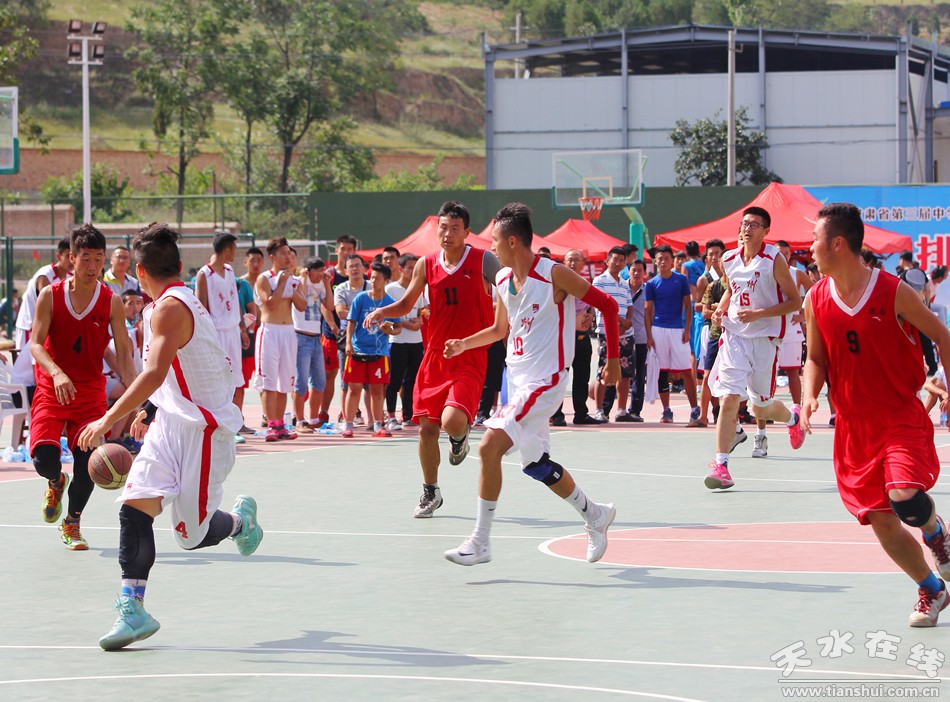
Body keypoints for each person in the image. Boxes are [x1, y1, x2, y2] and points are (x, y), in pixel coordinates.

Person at [77, 222, 262, 650]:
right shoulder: (169, 303)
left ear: (139, 273)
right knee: (133, 508)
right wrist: (151, 409)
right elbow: (177, 374)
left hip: (205, 431)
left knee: (190, 535)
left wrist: (106, 421)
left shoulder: (168, 309)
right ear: (179, 265)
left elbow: (154, 372)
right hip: (171, 424)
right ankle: (133, 609)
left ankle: (238, 521)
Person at [442, 202, 619, 566]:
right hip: (517, 380)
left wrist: (613, 361)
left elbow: (608, 307)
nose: (489, 247)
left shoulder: (554, 275)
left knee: (488, 447)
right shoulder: (503, 280)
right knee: (536, 464)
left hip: (546, 380)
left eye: (493, 241)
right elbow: (498, 330)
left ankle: (481, 541)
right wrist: (463, 343)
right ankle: (595, 515)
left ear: (511, 241)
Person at [802, 202, 950, 627]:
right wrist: (810, 395)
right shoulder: (816, 299)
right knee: (882, 525)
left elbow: (942, 336)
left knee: (904, 497)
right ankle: (932, 590)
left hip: (899, 417)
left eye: (814, 240)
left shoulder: (893, 291)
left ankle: (936, 532)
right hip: (853, 428)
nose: (809, 248)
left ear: (838, 243)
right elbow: (816, 358)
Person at [365, 201, 500, 518]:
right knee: (426, 430)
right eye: (443, 227)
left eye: (455, 228)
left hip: (469, 354)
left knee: (453, 421)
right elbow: (408, 302)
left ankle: (459, 435)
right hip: (434, 358)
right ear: (436, 229)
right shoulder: (426, 264)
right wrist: (382, 311)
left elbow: (513, 286)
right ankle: (430, 492)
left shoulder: (483, 260)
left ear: (467, 232)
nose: (448, 233)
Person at [30, 224, 135, 551]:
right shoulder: (50, 295)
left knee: (87, 466)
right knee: (43, 459)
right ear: (71, 259)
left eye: (98, 259)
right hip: (52, 389)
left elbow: (125, 353)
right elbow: (35, 344)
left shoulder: (111, 302)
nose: (92, 266)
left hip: (90, 393)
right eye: (86, 258)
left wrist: (136, 398)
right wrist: (57, 373)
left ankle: (72, 523)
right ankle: (55, 481)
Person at [705, 207, 804, 490]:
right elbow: (731, 289)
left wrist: (760, 313)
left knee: (761, 408)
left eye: (754, 224)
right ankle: (721, 465)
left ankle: (792, 417)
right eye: (744, 223)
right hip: (735, 334)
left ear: (766, 231)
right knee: (729, 398)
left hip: (765, 338)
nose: (747, 228)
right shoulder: (729, 258)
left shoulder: (774, 259)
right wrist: (721, 309)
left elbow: (795, 302)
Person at [255, 236, 307, 442]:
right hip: (270, 332)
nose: (288, 257)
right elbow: (269, 305)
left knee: (285, 382)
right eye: (284, 254)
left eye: (289, 253)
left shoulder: (294, 280)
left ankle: (282, 425)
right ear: (273, 257)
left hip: (288, 333)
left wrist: (291, 287)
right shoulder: (264, 279)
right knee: (269, 381)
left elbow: (302, 306)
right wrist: (282, 283)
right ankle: (271, 425)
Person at [344, 262, 402, 438]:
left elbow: (398, 327)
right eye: (372, 277)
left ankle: (378, 425)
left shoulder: (390, 303)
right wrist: (348, 343)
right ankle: (348, 425)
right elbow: (351, 322)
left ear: (386, 280)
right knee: (353, 389)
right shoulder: (361, 298)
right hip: (358, 351)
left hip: (379, 353)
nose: (373, 280)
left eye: (377, 278)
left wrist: (390, 330)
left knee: (377, 391)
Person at [644, 244, 700, 425]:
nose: (663, 262)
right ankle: (666, 411)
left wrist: (687, 330)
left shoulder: (681, 280)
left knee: (685, 370)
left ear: (672, 261)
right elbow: (647, 311)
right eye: (659, 259)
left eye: (666, 258)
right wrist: (649, 336)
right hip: (658, 330)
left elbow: (688, 306)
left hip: (678, 330)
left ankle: (694, 410)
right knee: (662, 372)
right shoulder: (651, 283)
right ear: (655, 261)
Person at [195, 232, 249, 411]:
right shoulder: (204, 274)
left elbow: (236, 302)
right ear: (227, 250)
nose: (235, 253)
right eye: (234, 249)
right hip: (216, 333)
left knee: (236, 378)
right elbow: (200, 307)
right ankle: (218, 420)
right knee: (218, 378)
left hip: (233, 331)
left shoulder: (230, 271)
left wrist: (242, 328)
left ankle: (237, 420)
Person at [549, 248, 601, 425]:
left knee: (582, 376)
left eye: (576, 260)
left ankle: (581, 413)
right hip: (562, 337)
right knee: (561, 376)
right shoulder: (557, 283)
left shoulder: (585, 284)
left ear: (582, 264)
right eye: (569, 260)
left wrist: (591, 315)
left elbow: (592, 304)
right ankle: (556, 414)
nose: (572, 263)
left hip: (582, 337)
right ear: (564, 263)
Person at [13, 237, 73, 388]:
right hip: (30, 326)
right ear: (58, 256)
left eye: (74, 256)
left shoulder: (69, 277)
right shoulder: (45, 274)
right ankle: (28, 396)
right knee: (28, 367)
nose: (71, 260)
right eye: (67, 256)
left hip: (48, 327)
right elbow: (45, 304)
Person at [591, 246, 634, 422]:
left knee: (625, 374)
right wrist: (622, 322)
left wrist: (626, 324)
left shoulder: (625, 284)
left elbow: (630, 306)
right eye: (614, 259)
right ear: (607, 261)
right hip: (606, 333)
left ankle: (622, 410)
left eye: (621, 260)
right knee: (603, 372)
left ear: (625, 263)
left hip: (625, 335)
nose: (617, 263)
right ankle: (599, 410)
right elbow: (602, 307)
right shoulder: (599, 281)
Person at [292, 257, 334, 434]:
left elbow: (330, 306)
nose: (321, 273)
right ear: (309, 271)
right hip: (301, 337)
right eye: (318, 270)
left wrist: (327, 284)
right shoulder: (299, 282)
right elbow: (300, 304)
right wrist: (303, 279)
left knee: (319, 382)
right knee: (301, 382)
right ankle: (300, 420)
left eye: (323, 269)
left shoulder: (321, 285)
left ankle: (314, 418)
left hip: (317, 338)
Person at [385, 253, 426, 431]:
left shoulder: (417, 289)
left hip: (416, 342)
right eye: (410, 267)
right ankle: (391, 416)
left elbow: (420, 312)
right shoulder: (391, 289)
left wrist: (419, 321)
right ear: (401, 269)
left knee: (412, 381)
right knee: (394, 381)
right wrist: (408, 324)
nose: (413, 271)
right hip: (397, 341)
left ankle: (408, 415)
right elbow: (389, 314)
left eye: (416, 267)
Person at [320, 235, 357, 424]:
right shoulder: (330, 275)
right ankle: (323, 412)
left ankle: (350, 412)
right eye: (343, 249)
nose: (346, 252)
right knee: (330, 374)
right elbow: (323, 304)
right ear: (337, 251)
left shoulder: (360, 276)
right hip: (332, 332)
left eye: (350, 249)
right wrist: (333, 325)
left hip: (353, 333)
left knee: (352, 373)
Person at [235, 247, 263, 434]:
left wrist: (244, 328)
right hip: (230, 339)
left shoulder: (245, 286)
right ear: (245, 262)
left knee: (246, 380)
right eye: (251, 260)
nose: (255, 264)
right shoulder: (238, 282)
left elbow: (253, 313)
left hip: (254, 336)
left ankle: (239, 419)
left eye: (258, 260)